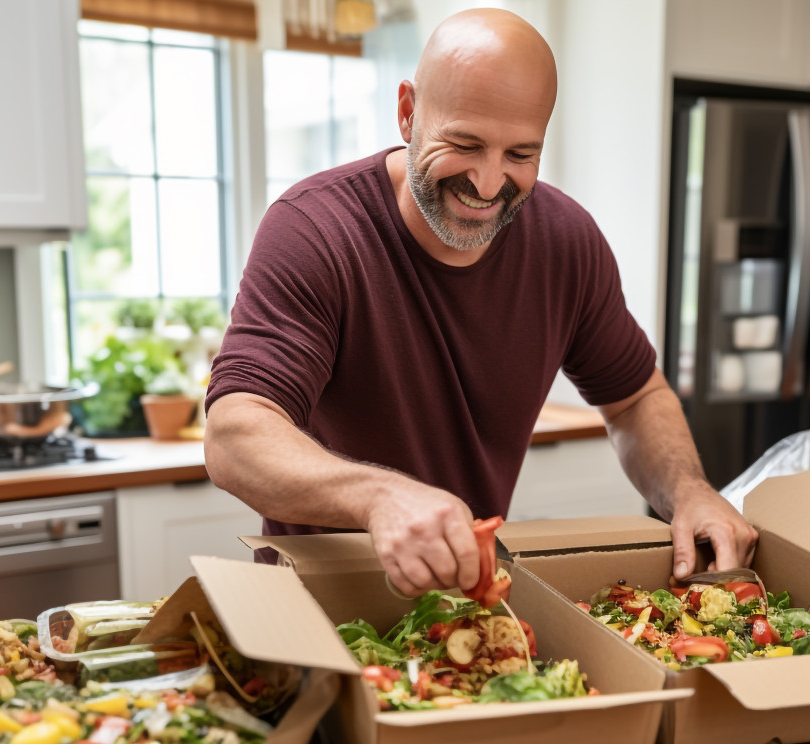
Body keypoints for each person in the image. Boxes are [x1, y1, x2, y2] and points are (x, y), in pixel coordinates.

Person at [204, 8, 756, 596]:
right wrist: (378, 498)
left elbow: (636, 398)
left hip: (471, 598)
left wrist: (690, 490)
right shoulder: (317, 229)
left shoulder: (567, 241)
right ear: (408, 112)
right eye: (465, 144)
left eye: (520, 155)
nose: (490, 185)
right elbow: (234, 434)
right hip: (318, 599)